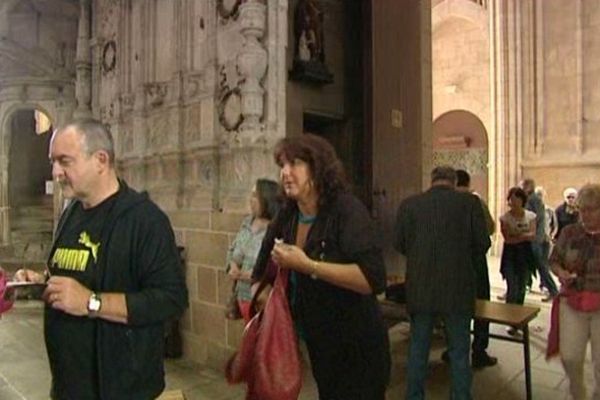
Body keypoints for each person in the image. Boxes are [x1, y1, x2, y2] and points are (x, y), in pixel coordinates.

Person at [14, 119, 188, 399]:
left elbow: (171, 300)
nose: (56, 172)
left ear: (101, 160)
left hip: (122, 389)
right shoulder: (71, 213)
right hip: (68, 387)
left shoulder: (145, 221)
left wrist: (90, 302)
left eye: (64, 161)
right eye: (53, 162)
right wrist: (40, 282)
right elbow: (79, 272)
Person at [251, 134, 390, 399]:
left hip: (357, 344)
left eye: (295, 164)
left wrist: (309, 266)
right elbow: (260, 271)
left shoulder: (346, 210)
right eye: (282, 165)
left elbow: (373, 279)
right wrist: (266, 295)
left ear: (318, 168)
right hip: (317, 343)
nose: (286, 173)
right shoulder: (287, 213)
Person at [395, 166, 490, 400]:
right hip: (457, 288)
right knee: (459, 351)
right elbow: (482, 244)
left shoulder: (410, 205)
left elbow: (399, 244)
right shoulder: (469, 204)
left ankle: (414, 396)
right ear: (454, 180)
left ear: (432, 180)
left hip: (420, 287)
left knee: (418, 348)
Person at [548, 184, 600, 400]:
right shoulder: (570, 232)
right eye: (582, 209)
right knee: (570, 356)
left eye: (591, 209)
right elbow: (553, 261)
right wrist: (561, 273)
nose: (585, 215)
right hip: (573, 302)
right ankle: (578, 392)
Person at [455, 169, 497, 368]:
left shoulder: (445, 203)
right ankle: (479, 350)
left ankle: (455, 348)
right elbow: (489, 228)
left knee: (455, 305)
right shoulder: (476, 201)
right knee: (481, 304)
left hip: (452, 262)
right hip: (475, 261)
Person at [226, 178, 279, 323]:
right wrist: (233, 265)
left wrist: (252, 274)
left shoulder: (276, 228)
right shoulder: (247, 223)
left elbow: (276, 266)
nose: (251, 200)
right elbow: (232, 250)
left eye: (255, 196)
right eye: (251, 195)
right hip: (242, 296)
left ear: (267, 199)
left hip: (261, 298)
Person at [499, 187, 536, 313]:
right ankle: (510, 316)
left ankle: (519, 315)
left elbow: (532, 235)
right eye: (511, 199)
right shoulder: (505, 218)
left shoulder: (530, 216)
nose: (514, 202)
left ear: (522, 200)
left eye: (516, 199)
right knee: (512, 287)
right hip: (510, 254)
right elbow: (508, 239)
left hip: (525, 254)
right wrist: (524, 236)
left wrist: (518, 235)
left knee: (521, 287)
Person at [521, 178, 558, 298]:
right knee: (524, 265)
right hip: (529, 237)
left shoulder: (535, 200)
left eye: (522, 186)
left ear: (528, 187)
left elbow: (537, 218)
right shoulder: (528, 199)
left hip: (535, 238)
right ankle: (518, 289)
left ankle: (553, 291)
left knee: (540, 265)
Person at [535, 186, 559, 302]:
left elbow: (555, 225)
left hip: (545, 241)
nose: (539, 197)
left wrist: (551, 236)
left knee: (544, 265)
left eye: (541, 195)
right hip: (535, 241)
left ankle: (551, 289)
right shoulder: (532, 210)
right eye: (537, 195)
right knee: (541, 266)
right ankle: (551, 289)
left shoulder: (549, 210)